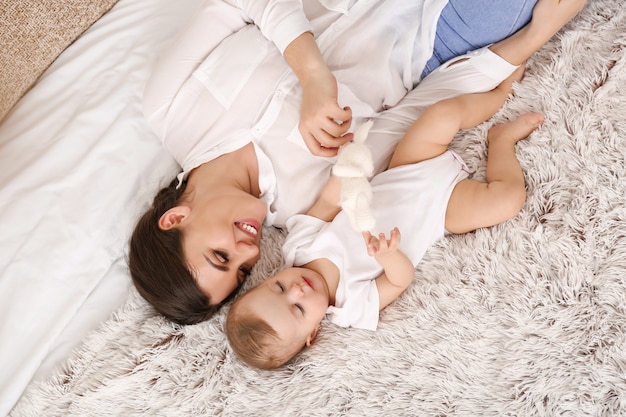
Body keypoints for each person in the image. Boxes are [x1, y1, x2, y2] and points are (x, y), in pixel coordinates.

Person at [129, 0, 587, 325]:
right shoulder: (306, 205)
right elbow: (410, 120)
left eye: (221, 256)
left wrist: (312, 75)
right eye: (243, 272)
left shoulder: (168, 107)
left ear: (175, 218)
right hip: (436, 35)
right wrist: (529, 40)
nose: (249, 253)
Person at [225, 67, 545, 369]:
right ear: (312, 335)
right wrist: (389, 257)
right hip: (441, 210)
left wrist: (346, 168)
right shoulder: (351, 307)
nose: (297, 290)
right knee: (507, 200)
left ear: (268, 279)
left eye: (279, 288)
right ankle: (501, 141)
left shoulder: (299, 248)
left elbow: (328, 200)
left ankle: (501, 94)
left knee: (442, 114)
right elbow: (399, 280)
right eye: (298, 309)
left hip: (406, 169)